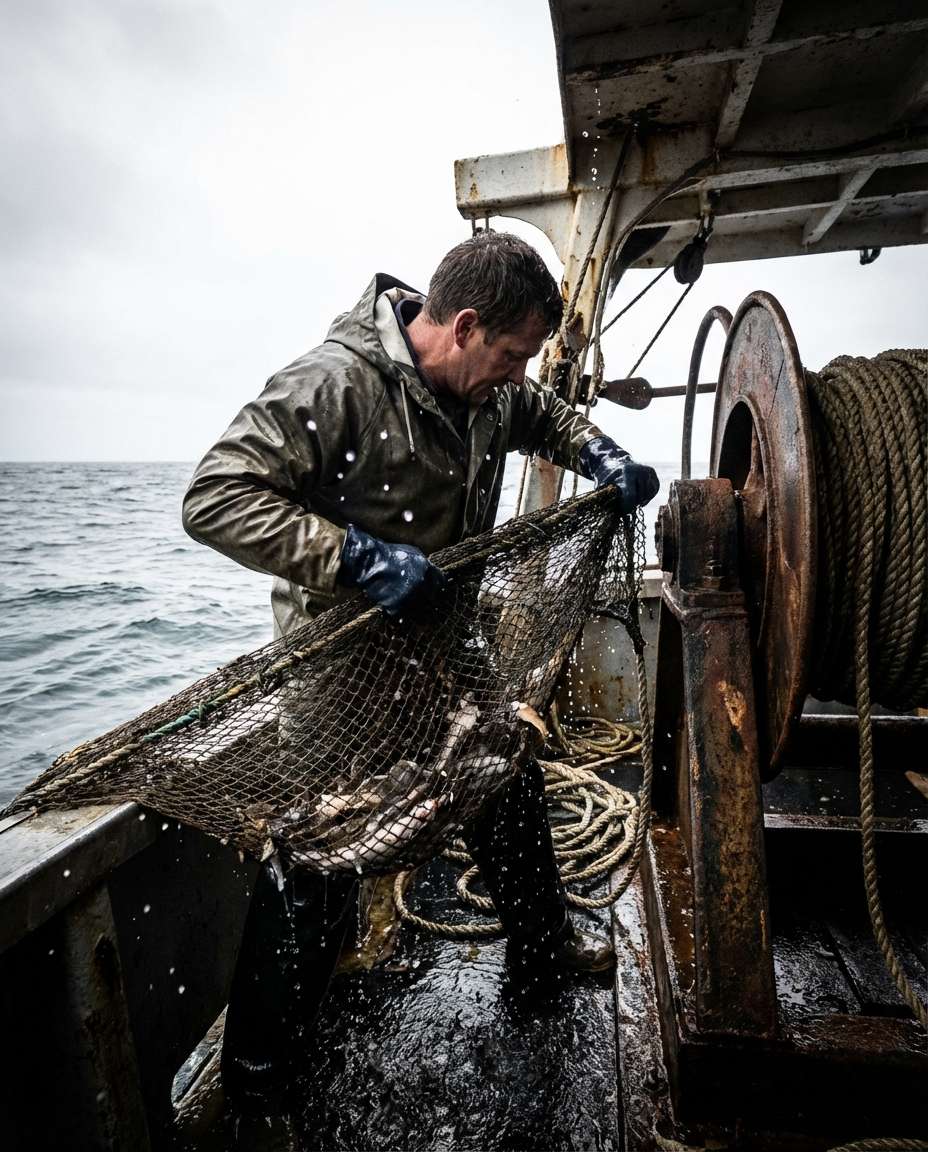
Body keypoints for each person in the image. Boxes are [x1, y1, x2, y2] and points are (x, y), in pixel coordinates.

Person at [182, 231, 659, 1115]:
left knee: (505, 785)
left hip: (447, 643)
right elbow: (215, 495)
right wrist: (359, 557)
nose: (517, 375)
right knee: (322, 857)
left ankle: (541, 961)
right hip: (342, 665)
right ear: (466, 325)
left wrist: (602, 457)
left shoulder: (488, 392)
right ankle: (256, 1083)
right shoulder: (337, 383)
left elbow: (542, 414)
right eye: (512, 356)